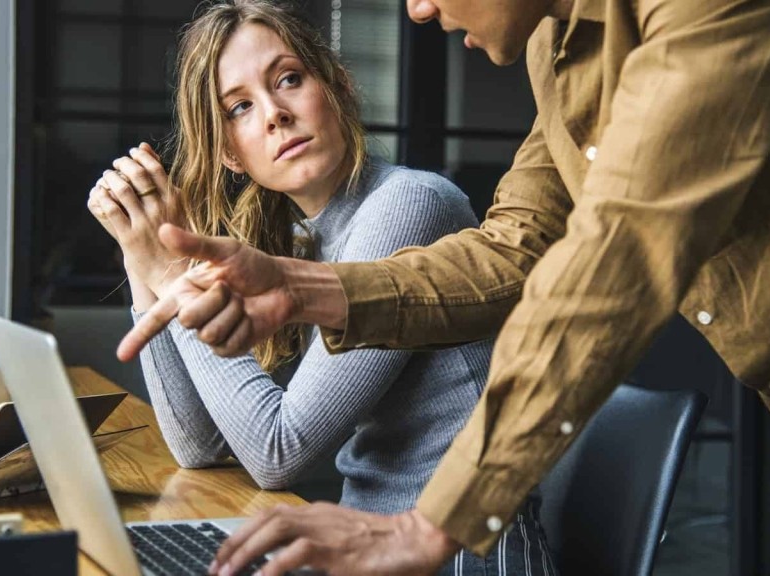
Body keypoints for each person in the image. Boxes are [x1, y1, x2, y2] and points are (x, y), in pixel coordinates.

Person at [119, 0, 770, 574]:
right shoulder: (559, 53)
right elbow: (512, 249)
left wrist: (432, 525)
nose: (419, 10)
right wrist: (299, 284)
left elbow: (621, 251)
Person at [88, 2, 557, 575]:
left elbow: (276, 451)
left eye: (289, 79)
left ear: (337, 87)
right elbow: (200, 447)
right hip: (365, 549)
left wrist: (172, 276)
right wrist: (146, 259)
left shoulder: (409, 205)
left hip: (458, 557)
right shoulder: (299, 239)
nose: (274, 114)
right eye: (240, 107)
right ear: (230, 153)